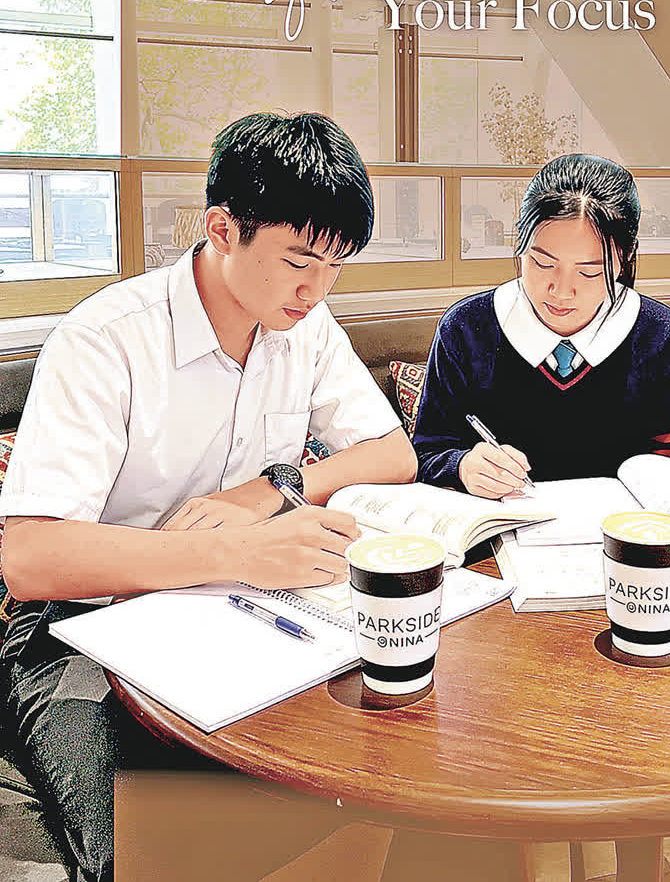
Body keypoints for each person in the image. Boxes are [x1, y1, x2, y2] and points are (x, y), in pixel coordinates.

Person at [0, 111, 417, 882]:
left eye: (335, 264)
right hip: (78, 624)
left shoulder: (304, 326)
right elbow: (29, 557)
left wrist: (273, 489)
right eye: (298, 260)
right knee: (142, 850)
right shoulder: (107, 339)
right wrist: (235, 551)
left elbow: (392, 453)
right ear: (222, 228)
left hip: (237, 615)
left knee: (374, 777)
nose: (316, 287)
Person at [414, 153, 670, 497]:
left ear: (626, 257)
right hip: (501, 527)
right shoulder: (465, 329)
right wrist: (462, 466)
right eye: (542, 263)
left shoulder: (661, 336)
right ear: (519, 244)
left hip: (623, 528)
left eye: (589, 272)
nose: (562, 291)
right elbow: (425, 454)